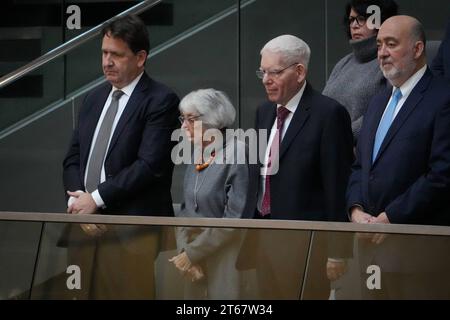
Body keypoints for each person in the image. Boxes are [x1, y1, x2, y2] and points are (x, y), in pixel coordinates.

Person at [61, 14, 180, 299]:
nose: (107, 62)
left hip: (130, 233)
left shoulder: (161, 100)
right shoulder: (93, 98)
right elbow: (72, 158)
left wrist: (96, 199)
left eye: (116, 54)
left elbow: (150, 165)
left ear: (140, 58)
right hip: (84, 228)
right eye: (104, 53)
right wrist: (78, 202)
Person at [347, 16, 450, 298]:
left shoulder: (443, 98)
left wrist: (391, 217)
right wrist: (355, 210)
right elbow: (360, 165)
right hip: (370, 250)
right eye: (380, 44)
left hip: (417, 256)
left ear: (417, 50)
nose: (381, 52)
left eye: (391, 44)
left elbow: (442, 174)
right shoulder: (379, 99)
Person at [246, 35, 353, 299]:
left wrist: (338, 250)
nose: (265, 79)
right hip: (263, 236)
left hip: (306, 243)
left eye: (274, 72)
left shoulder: (328, 114)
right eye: (263, 71)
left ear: (300, 71)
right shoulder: (264, 112)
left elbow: (337, 185)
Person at [169, 88, 257, 299]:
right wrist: (184, 252)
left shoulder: (238, 152)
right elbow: (184, 211)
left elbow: (235, 219)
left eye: (190, 119)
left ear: (212, 120)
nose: (183, 126)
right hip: (193, 263)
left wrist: (192, 253)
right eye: (183, 118)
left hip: (227, 260)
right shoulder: (198, 153)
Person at [323, 0, 398, 142]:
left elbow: (386, 110)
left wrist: (341, 137)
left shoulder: (388, 62)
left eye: (362, 19)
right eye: (351, 20)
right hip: (328, 144)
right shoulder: (343, 63)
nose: (354, 25)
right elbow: (323, 106)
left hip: (358, 149)